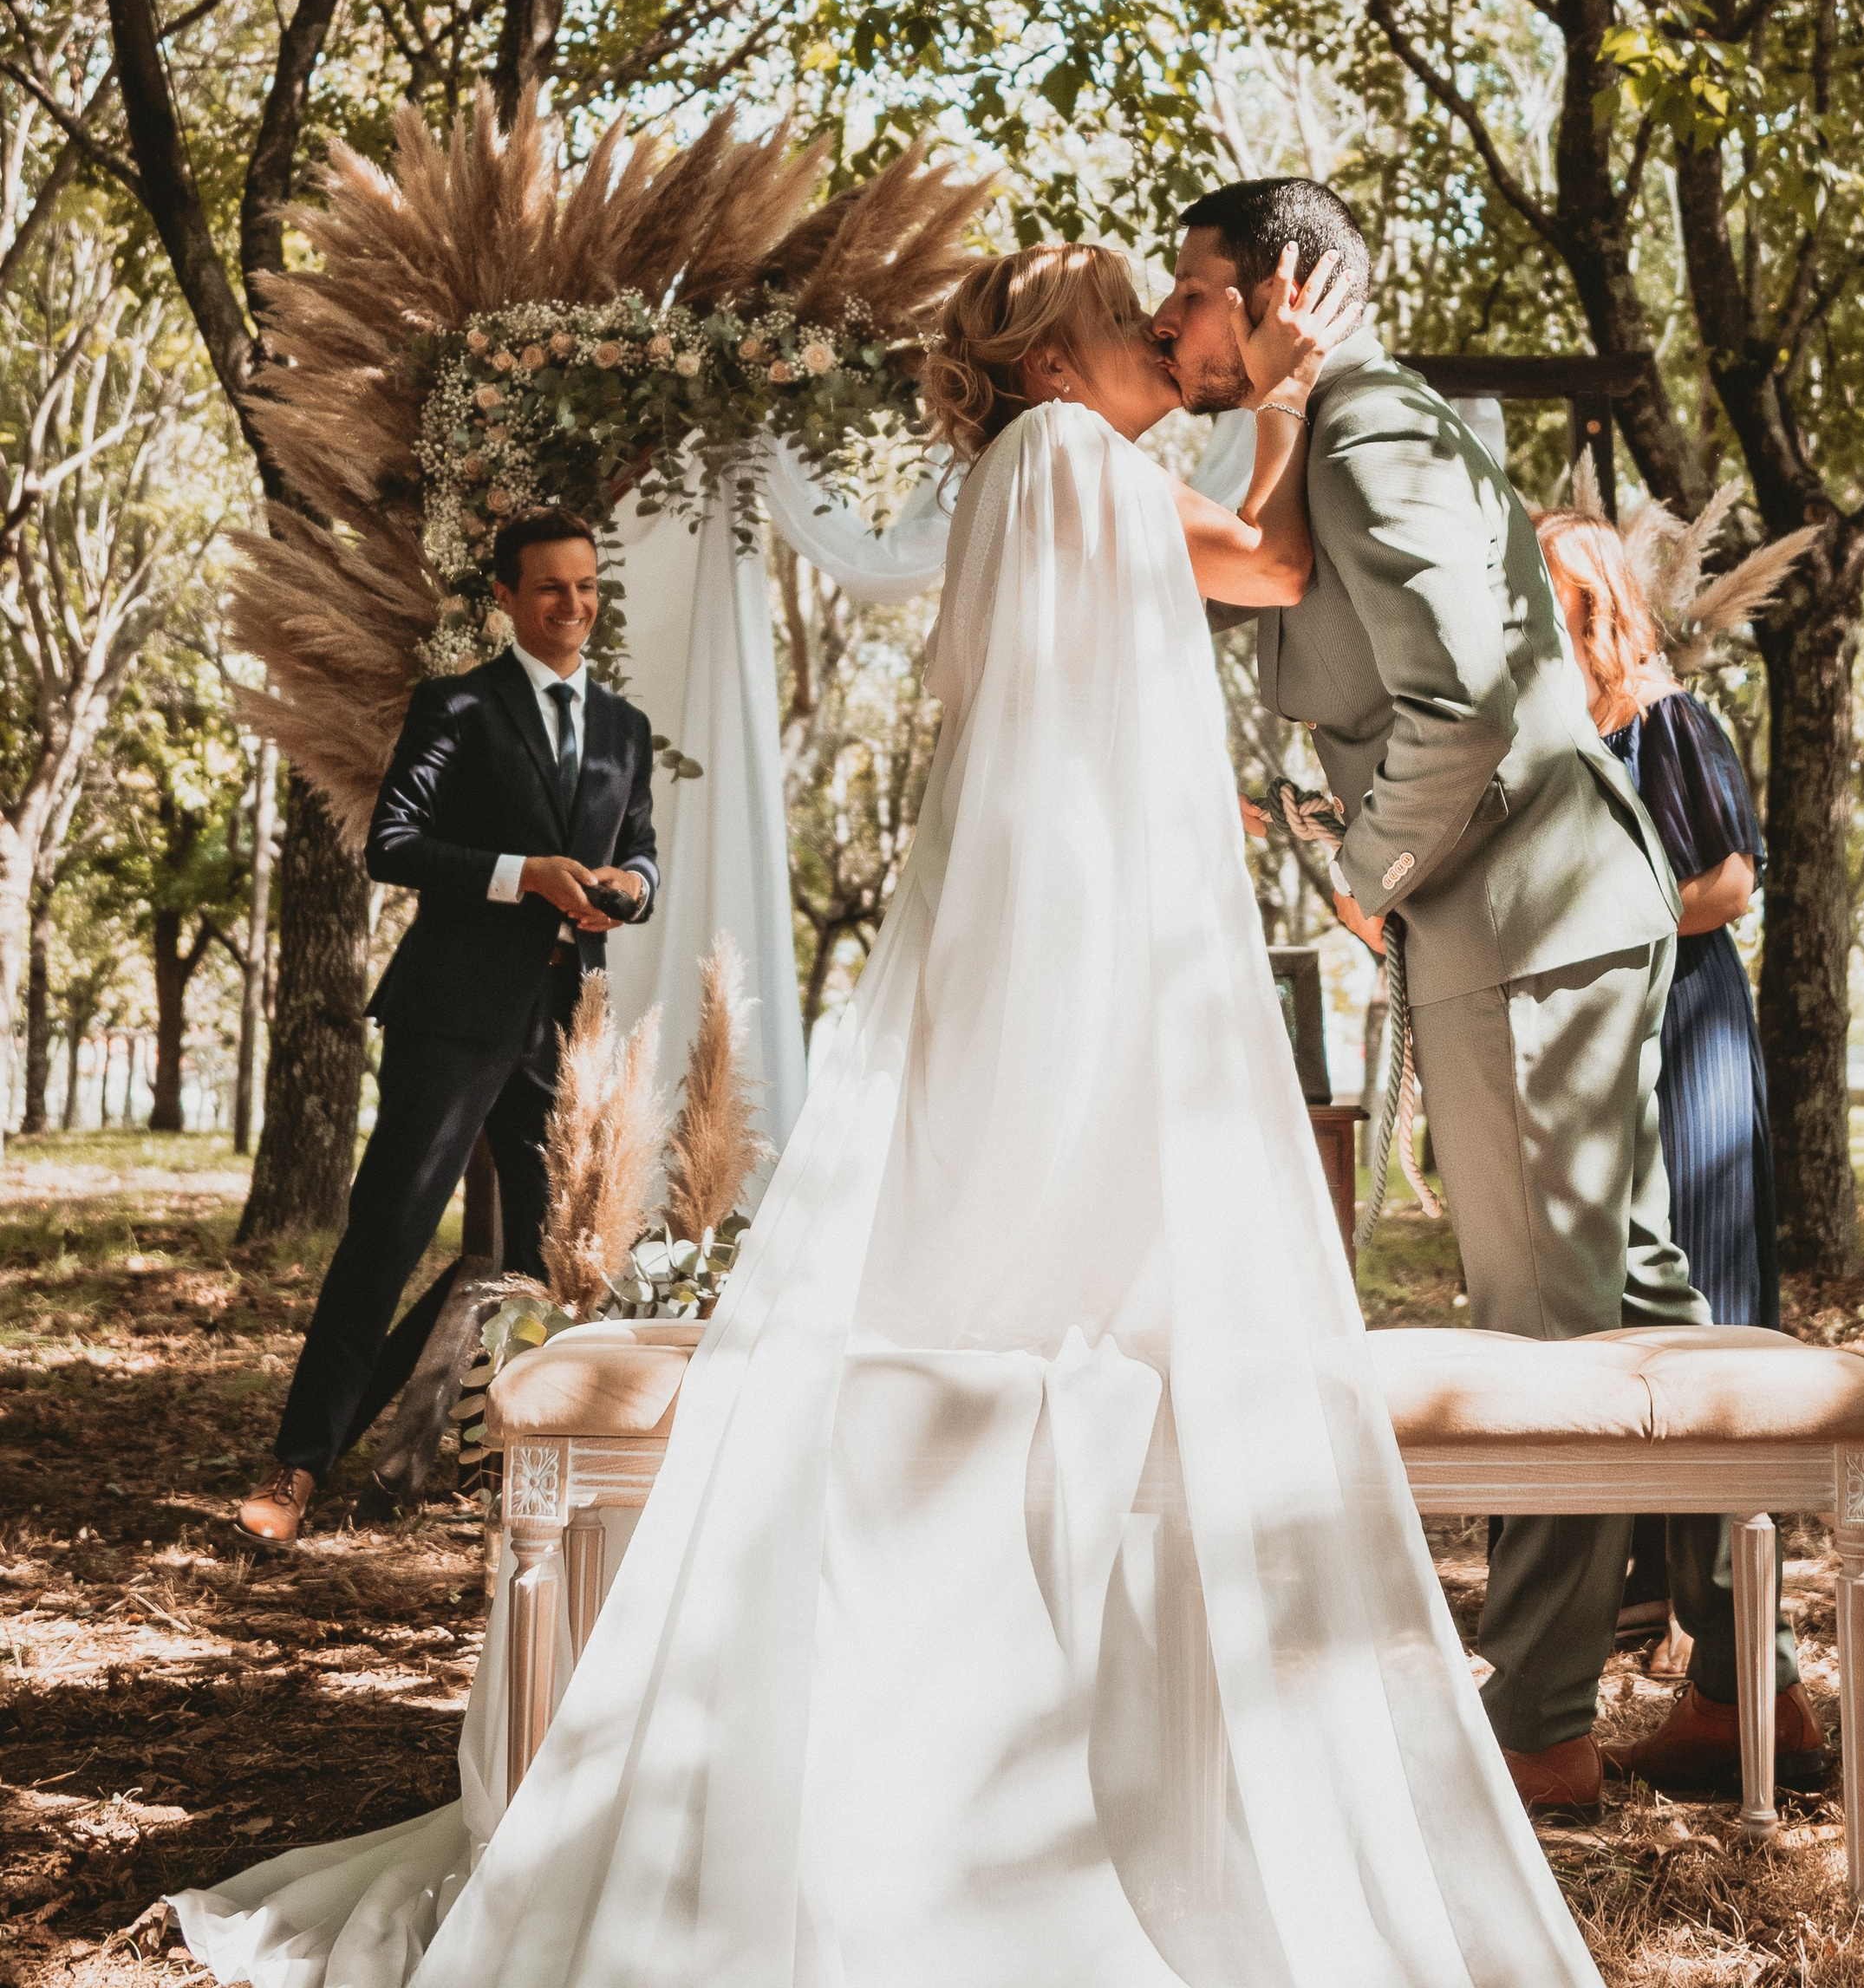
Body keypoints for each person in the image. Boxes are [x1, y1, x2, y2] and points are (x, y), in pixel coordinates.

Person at [175, 241, 1607, 1988]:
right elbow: (1275, 557)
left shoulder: (1042, 467)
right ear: (1042, 349)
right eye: (1122, 304)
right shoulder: (1077, 460)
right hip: (1090, 912)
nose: (1159, 319)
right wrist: (1291, 385)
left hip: (1044, 899)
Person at [1152, 177, 1706, 1822]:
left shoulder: (1361, 426)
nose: (1172, 318)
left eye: (1192, 288)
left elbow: (1463, 704)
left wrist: (1362, 875)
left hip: (1524, 926)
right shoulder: (1338, 426)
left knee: (1545, 1339)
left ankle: (1540, 1718)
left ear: (1283, 293)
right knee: (1642, 1305)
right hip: (1551, 918)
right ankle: (1753, 1681)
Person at [235, 508, 660, 1553]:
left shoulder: (623, 728)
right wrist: (525, 877)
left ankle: (487, 1452)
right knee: (387, 1233)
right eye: (551, 587)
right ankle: (297, 1464)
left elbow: (643, 851)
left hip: (567, 1020)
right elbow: (393, 842)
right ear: (507, 599)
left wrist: (628, 890)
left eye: (588, 586)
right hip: (453, 1013)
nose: (575, 605)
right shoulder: (458, 704)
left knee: (536, 1257)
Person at [1535, 508, 1825, 1793]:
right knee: (1623, 1353)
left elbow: (1725, 881)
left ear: (1589, 600)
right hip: (1611, 1044)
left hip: (1683, 1037)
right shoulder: (1563, 741)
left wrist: (1598, 930)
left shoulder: (1666, 722)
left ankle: (1754, 1693)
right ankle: (1720, 1683)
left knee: (1699, 1339)